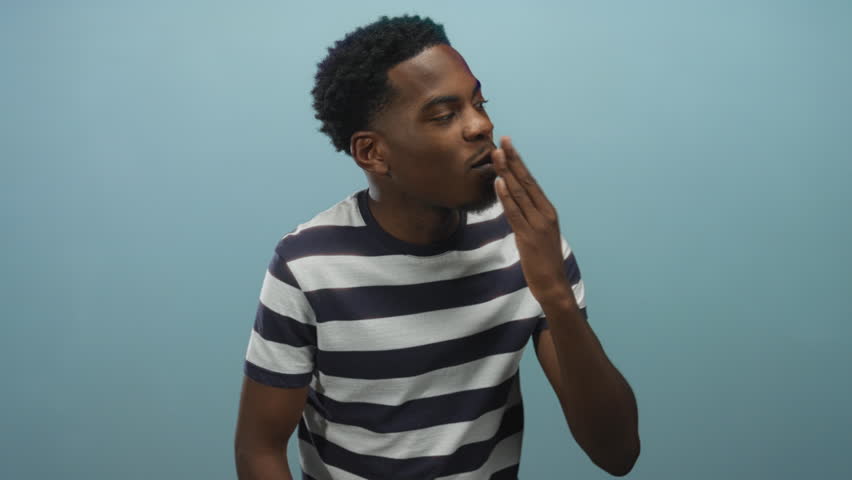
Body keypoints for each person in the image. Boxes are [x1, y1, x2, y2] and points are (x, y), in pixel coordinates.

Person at [234, 15, 640, 479]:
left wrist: (556, 297)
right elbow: (259, 450)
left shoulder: (526, 243)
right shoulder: (307, 265)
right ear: (373, 153)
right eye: (445, 115)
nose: (480, 126)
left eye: (479, 103)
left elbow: (618, 452)